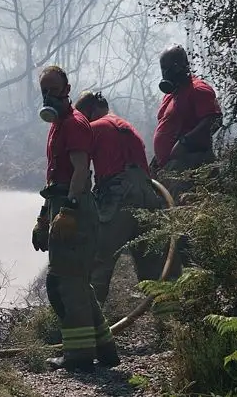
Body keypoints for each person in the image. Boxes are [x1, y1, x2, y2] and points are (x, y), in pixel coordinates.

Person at [31, 66, 120, 372]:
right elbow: (55, 177)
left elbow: (81, 171)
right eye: (43, 90)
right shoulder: (57, 126)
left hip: (76, 208)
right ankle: (105, 350)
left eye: (53, 89)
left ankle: (79, 356)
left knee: (65, 283)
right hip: (61, 203)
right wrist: (44, 218)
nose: (47, 95)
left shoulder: (75, 124)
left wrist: (68, 211)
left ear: (67, 89)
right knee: (78, 283)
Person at [74, 91, 179, 310]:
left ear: (91, 112)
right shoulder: (127, 127)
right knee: (152, 263)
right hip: (149, 196)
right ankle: (170, 324)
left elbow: (80, 168)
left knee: (98, 261)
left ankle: (87, 321)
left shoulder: (94, 128)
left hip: (117, 197)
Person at [151, 44, 223, 199]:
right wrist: (156, 162)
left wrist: (184, 142)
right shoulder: (170, 96)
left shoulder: (198, 89)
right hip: (171, 169)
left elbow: (214, 120)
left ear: (182, 66)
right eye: (163, 68)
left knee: (189, 209)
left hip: (191, 165)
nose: (166, 73)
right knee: (174, 216)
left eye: (170, 68)